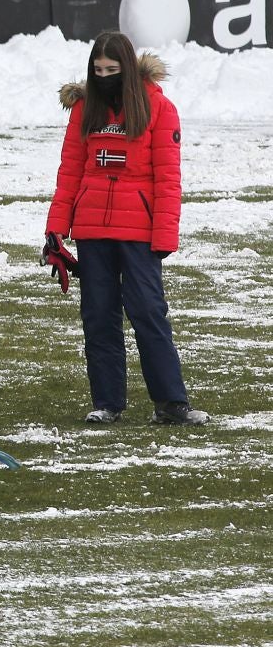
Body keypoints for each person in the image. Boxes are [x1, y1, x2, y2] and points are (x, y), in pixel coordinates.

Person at [46, 32, 208, 426]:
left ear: (128, 69)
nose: (104, 77)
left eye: (112, 70)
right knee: (98, 316)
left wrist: (165, 235)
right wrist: (56, 229)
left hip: (139, 233)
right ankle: (107, 402)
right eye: (98, 70)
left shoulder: (159, 108)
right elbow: (69, 172)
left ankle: (171, 403)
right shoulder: (84, 110)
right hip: (92, 232)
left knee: (148, 313)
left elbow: (168, 179)